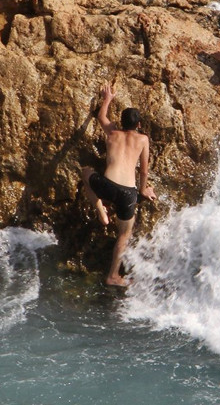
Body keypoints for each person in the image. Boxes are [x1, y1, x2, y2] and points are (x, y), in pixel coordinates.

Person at [81, 82, 156, 287]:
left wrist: (107, 99)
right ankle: (113, 275)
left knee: (86, 173)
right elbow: (144, 169)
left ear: (121, 122)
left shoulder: (113, 133)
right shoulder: (143, 139)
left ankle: (100, 211)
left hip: (106, 186)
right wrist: (143, 190)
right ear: (139, 124)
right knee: (124, 234)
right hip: (127, 194)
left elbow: (101, 117)